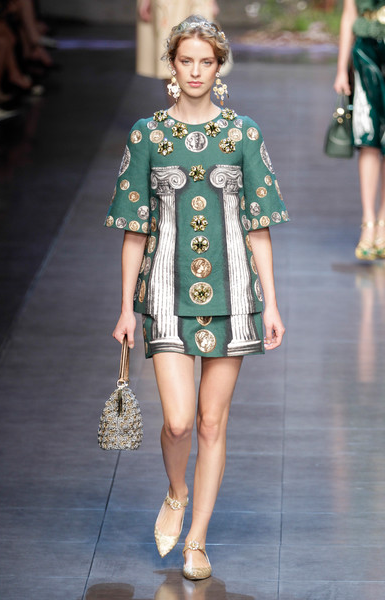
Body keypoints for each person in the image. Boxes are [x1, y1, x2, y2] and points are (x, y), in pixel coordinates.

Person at [106, 15, 289, 580]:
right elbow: (134, 228)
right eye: (186, 60)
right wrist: (125, 308)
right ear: (172, 64)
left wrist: (272, 303)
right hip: (164, 293)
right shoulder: (147, 135)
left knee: (212, 422)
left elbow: (259, 225)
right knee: (180, 422)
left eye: (205, 62)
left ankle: (197, 541)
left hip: (234, 297)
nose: (195, 71)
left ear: (218, 67)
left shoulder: (244, 134)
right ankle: (177, 491)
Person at [334, 0, 385, 260]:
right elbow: (349, 15)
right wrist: (341, 69)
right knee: (368, 137)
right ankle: (368, 222)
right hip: (365, 52)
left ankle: (383, 223)